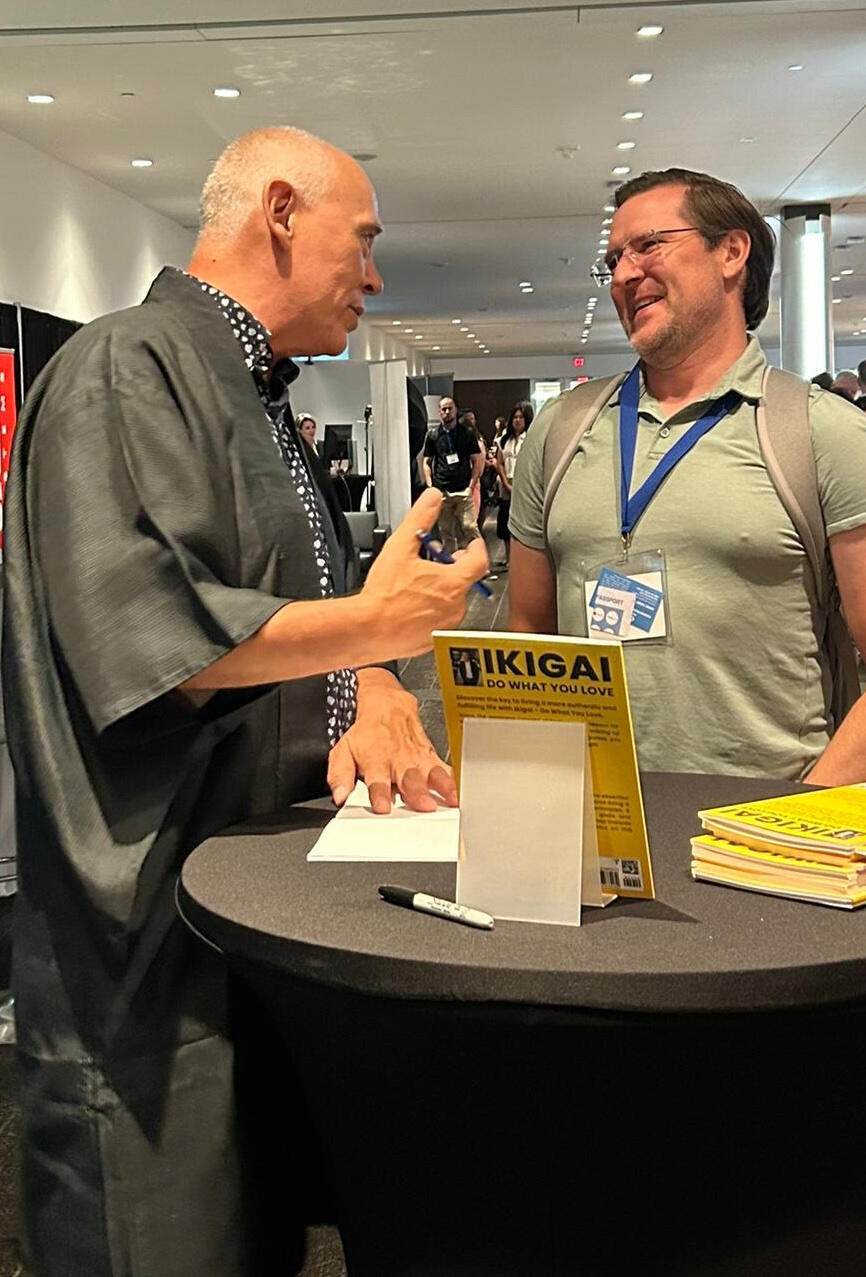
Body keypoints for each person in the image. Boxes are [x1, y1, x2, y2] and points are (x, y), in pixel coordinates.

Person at [2, 125, 488, 1277]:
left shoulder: (248, 394)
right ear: (280, 211)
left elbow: (284, 613)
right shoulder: (128, 367)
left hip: (242, 929)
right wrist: (376, 627)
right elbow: (150, 637)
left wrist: (370, 679)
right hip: (148, 962)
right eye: (361, 241)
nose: (374, 276)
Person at [508, 166, 866, 783]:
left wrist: (796, 815)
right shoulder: (562, 429)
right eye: (614, 258)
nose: (624, 273)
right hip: (589, 821)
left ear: (731, 252)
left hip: (762, 832)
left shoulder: (818, 432)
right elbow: (527, 639)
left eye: (649, 245)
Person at [422, 396, 484, 553]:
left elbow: (477, 460)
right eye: (444, 409)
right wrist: (430, 484)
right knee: (446, 533)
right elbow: (426, 462)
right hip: (442, 490)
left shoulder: (467, 434)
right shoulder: (433, 436)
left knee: (470, 527)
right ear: (439, 412)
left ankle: (479, 562)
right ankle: (452, 565)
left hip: (463, 489)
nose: (447, 412)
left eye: (450, 408)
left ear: (455, 410)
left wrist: (472, 485)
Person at [494, 400, 534, 567]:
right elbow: (499, 462)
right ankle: (509, 557)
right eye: (515, 417)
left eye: (521, 417)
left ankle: (523, 558)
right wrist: (505, 482)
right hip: (506, 482)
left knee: (523, 522)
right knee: (505, 522)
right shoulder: (504, 440)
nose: (517, 420)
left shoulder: (531, 438)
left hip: (525, 483)